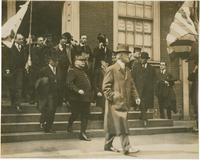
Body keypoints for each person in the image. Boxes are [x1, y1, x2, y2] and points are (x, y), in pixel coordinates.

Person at [102, 44, 141, 155]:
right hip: (115, 104)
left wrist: (137, 97)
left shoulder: (128, 70)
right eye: (126, 54)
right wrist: (115, 96)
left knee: (114, 125)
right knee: (122, 124)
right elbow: (105, 88)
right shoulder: (111, 69)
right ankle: (127, 148)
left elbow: (132, 85)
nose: (129, 56)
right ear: (120, 55)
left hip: (124, 102)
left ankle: (108, 145)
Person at [67, 50, 92, 141]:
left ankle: (83, 133)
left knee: (85, 115)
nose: (83, 62)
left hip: (86, 98)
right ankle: (70, 124)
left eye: (84, 61)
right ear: (75, 62)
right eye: (81, 61)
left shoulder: (84, 72)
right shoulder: (72, 71)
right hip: (76, 98)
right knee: (75, 114)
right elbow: (69, 83)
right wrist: (77, 90)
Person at [35, 53, 60, 133]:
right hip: (47, 94)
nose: (56, 63)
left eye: (57, 61)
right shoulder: (44, 70)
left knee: (52, 111)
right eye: (54, 61)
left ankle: (45, 123)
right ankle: (47, 127)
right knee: (50, 110)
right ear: (50, 61)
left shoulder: (59, 70)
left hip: (55, 94)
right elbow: (39, 83)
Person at [132, 52, 156, 126]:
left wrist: (152, 88)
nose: (142, 60)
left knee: (145, 105)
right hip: (139, 89)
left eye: (144, 59)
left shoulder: (151, 68)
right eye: (141, 58)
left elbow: (154, 79)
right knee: (142, 103)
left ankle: (142, 116)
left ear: (146, 60)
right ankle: (145, 119)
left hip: (148, 90)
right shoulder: (136, 66)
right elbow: (133, 77)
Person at [93, 34, 112, 113]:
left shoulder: (109, 51)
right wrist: (99, 48)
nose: (105, 43)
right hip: (98, 68)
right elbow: (95, 57)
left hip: (106, 69)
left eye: (106, 42)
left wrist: (107, 66)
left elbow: (110, 60)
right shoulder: (96, 49)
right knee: (97, 82)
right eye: (104, 42)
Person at [9, 34, 27, 113]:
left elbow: (24, 58)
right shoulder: (10, 48)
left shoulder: (23, 48)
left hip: (20, 70)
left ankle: (18, 105)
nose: (21, 41)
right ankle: (13, 103)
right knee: (12, 87)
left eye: (22, 39)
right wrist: (7, 68)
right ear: (15, 40)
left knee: (19, 87)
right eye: (19, 39)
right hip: (11, 70)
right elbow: (6, 59)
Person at [188, 59, 198, 132]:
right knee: (196, 111)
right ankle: (198, 126)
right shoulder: (195, 73)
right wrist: (194, 70)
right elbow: (189, 78)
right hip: (196, 95)